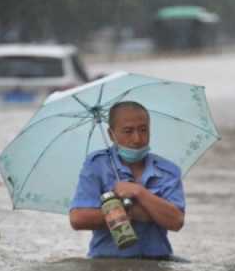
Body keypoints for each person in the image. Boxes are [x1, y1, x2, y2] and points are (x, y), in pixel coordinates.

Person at [69, 101, 185, 259]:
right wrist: (125, 213)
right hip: (107, 263)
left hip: (157, 263)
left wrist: (139, 192)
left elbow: (176, 221)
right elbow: (78, 219)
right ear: (111, 135)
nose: (137, 139)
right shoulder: (96, 165)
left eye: (143, 130)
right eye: (128, 131)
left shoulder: (168, 170)